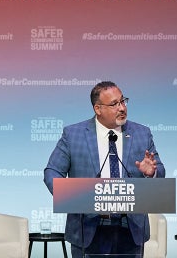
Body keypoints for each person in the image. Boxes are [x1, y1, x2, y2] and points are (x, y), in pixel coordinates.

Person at [44, 81, 165, 258]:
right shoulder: (73, 134)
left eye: (123, 101)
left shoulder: (142, 133)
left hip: (130, 229)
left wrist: (152, 173)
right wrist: (73, 196)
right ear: (98, 109)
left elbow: (159, 170)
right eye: (114, 104)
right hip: (89, 227)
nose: (122, 108)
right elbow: (52, 172)